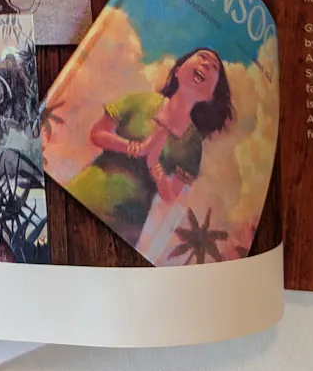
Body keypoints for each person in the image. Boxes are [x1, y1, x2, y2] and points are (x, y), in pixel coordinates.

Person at [65, 47, 232, 246]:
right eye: (202, 57)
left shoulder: (193, 145)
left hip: (125, 224)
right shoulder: (142, 100)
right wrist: (132, 147)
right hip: (86, 191)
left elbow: (170, 195)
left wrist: (155, 167)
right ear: (178, 70)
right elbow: (97, 133)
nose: (206, 64)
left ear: (210, 95)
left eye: (214, 67)